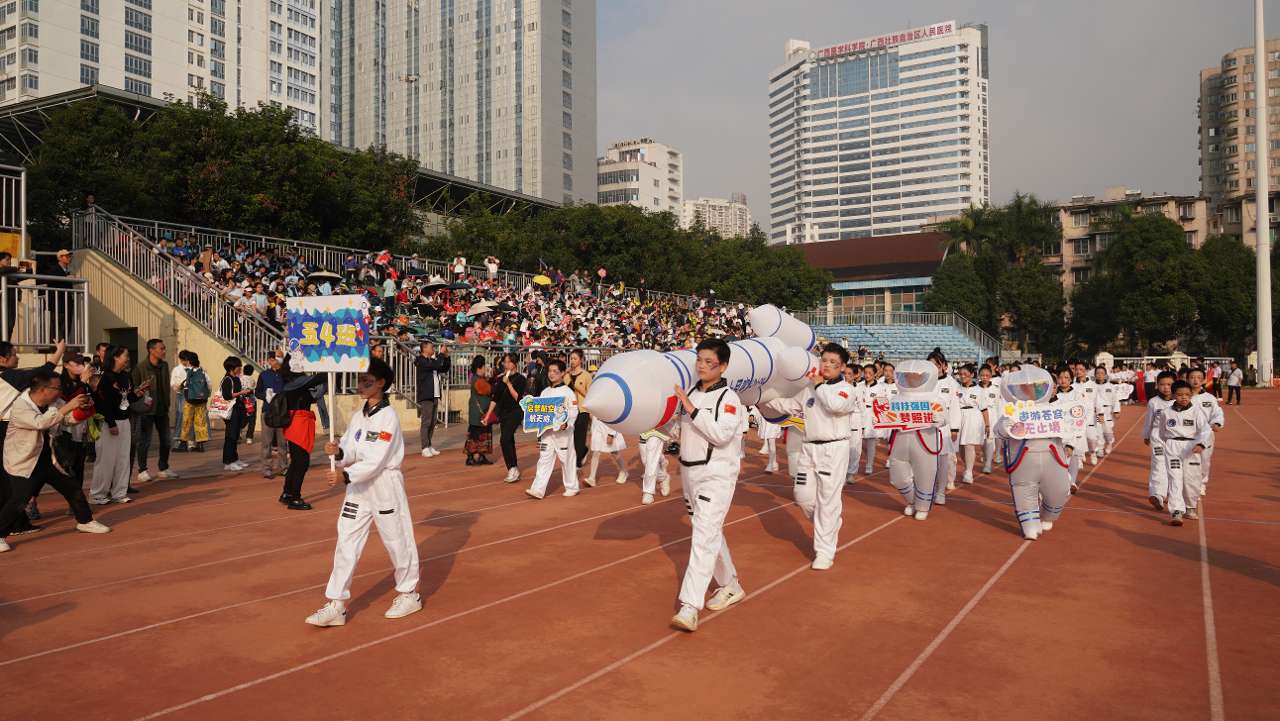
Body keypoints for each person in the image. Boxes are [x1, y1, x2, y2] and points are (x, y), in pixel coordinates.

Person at [306, 359, 422, 626]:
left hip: (384, 485)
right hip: (358, 488)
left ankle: (409, 593)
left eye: (367, 381)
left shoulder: (388, 417)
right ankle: (336, 603)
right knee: (346, 538)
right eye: (360, 381)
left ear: (381, 383)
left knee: (396, 539)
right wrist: (339, 452)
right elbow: (351, 448)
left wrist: (346, 475)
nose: (361, 386)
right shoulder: (359, 415)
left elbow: (377, 459)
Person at [669, 338, 746, 632]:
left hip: (717, 474)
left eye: (708, 362)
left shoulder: (729, 399)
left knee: (703, 536)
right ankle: (730, 584)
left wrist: (689, 407)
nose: (701, 366)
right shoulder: (690, 392)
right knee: (709, 532)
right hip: (689, 472)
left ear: (722, 366)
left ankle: (690, 606)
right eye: (699, 360)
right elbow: (680, 429)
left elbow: (720, 435)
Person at [760, 343, 857, 570]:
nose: (827, 365)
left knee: (827, 500)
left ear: (842, 366)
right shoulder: (809, 388)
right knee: (802, 496)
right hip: (809, 447)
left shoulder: (845, 389)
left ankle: (824, 551)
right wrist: (760, 399)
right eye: (824, 360)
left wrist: (819, 385)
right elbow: (789, 405)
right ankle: (829, 524)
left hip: (834, 449)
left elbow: (834, 405)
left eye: (833, 363)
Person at [0, 370, 96, 553]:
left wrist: (83, 410)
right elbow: (41, 423)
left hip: (46, 458)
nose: (60, 391)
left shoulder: (55, 402)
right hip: (24, 461)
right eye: (57, 388)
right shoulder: (20, 406)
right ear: (43, 389)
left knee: (72, 488)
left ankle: (86, 521)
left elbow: (66, 420)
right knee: (19, 500)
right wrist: (68, 406)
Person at [994, 366, 1072, 541]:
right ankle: (1029, 524)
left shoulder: (1054, 409)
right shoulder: (1012, 411)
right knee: (1024, 490)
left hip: (1053, 457)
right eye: (1023, 387)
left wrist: (1071, 443)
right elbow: (998, 430)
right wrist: (1007, 426)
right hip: (1022, 460)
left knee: (1059, 491)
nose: (1029, 390)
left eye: (1033, 386)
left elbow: (1070, 427)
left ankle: (1047, 515)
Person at [885, 360, 951, 520]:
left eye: (916, 375)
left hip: (925, 439)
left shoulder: (935, 399)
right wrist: (883, 419)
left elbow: (944, 417)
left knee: (925, 473)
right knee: (897, 476)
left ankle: (922, 506)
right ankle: (913, 500)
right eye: (908, 375)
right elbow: (888, 418)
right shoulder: (896, 399)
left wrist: (939, 419)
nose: (911, 378)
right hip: (900, 440)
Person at [90, 346, 149, 505]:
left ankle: (119, 492)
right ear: (115, 357)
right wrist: (111, 423)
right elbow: (102, 403)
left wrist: (137, 394)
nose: (128, 358)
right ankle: (98, 494)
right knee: (106, 459)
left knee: (123, 459)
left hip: (124, 421)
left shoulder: (126, 376)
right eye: (125, 355)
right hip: (108, 422)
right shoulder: (104, 376)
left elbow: (126, 399)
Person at [1157, 380, 1212, 526]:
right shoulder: (1166, 413)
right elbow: (1162, 432)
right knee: (1175, 478)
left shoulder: (1197, 412)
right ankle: (1176, 511)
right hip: (1173, 447)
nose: (1184, 397)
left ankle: (1190, 507)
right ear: (1174, 395)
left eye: (1187, 394)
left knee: (1191, 479)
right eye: (1180, 394)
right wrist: (1170, 443)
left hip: (1191, 447)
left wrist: (1201, 443)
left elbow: (1206, 430)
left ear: (1191, 395)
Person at [525, 358, 580, 499]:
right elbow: (540, 413)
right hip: (547, 433)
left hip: (563, 434)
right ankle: (538, 489)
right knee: (544, 459)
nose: (551, 374)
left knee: (566, 459)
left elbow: (574, 410)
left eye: (555, 371)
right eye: (550, 371)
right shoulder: (545, 392)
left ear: (562, 373)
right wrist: (538, 430)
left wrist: (566, 423)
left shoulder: (568, 392)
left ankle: (572, 487)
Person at [278, 355, 325, 510]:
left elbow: (314, 393)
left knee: (297, 461)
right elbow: (319, 378)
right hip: (298, 424)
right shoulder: (296, 382)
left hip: (298, 424)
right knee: (302, 462)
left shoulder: (295, 381)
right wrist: (329, 365)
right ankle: (295, 498)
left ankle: (287, 493)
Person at [132, 338, 177, 484]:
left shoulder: (164, 365)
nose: (164, 351)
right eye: (161, 348)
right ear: (151, 350)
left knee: (166, 440)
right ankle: (142, 470)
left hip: (162, 409)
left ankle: (163, 468)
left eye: (164, 348)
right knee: (144, 441)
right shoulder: (140, 367)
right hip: (146, 410)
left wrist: (167, 404)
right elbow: (134, 389)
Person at [1185, 368, 1224, 498]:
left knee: (1204, 460)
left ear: (1203, 380)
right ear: (1187, 379)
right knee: (1187, 460)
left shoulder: (1209, 398)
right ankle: (1187, 484)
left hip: (1206, 434)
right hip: (1187, 434)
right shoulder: (1182, 396)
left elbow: (1217, 413)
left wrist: (1217, 423)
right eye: (1192, 377)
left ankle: (1202, 483)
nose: (1195, 380)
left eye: (1198, 378)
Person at [489, 353, 527, 483]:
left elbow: (518, 398)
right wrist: (488, 415)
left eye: (508, 362)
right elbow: (495, 398)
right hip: (503, 413)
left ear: (514, 363)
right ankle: (513, 468)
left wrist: (509, 383)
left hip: (515, 412)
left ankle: (512, 468)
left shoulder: (521, 379)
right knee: (509, 440)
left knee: (504, 439)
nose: (505, 364)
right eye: (504, 362)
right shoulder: (501, 379)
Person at [1142, 370, 1177, 511]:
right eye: (1162, 384)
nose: (1166, 387)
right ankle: (1158, 495)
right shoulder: (1153, 402)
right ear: (1157, 385)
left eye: (1169, 384)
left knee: (1174, 467)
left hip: (1175, 439)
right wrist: (1146, 435)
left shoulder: (1179, 400)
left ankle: (1174, 494)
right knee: (1158, 464)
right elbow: (1148, 421)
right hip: (1157, 437)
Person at [413, 340, 451, 457]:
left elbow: (444, 368)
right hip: (426, 395)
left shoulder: (432, 361)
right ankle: (424, 447)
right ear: (424, 349)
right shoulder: (421, 361)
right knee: (426, 422)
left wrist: (446, 357)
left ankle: (429, 445)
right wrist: (441, 354)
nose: (433, 349)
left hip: (435, 394)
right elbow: (436, 365)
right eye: (431, 347)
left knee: (433, 422)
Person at [954, 363, 988, 485]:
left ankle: (969, 472)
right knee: (961, 447)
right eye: (960, 374)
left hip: (973, 417)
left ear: (972, 375)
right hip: (959, 416)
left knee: (969, 444)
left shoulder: (979, 390)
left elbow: (984, 408)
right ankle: (967, 466)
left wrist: (987, 424)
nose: (962, 376)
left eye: (965, 374)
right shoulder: (956, 388)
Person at [256, 354, 286, 479]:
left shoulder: (285, 374)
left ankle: (283, 467)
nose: (275, 361)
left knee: (282, 442)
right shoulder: (264, 375)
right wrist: (266, 396)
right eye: (273, 359)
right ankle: (267, 468)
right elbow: (257, 392)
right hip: (268, 411)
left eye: (278, 359)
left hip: (282, 412)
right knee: (266, 442)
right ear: (269, 361)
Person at [220, 356, 250, 472]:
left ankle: (235, 459)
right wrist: (241, 392)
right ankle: (228, 462)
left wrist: (244, 393)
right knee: (230, 436)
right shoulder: (227, 379)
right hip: (230, 411)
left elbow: (237, 393)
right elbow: (227, 395)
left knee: (236, 435)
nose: (240, 368)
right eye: (238, 366)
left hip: (237, 409)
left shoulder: (236, 379)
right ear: (232, 368)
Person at [582, 416, 629, 487]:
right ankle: (592, 478)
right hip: (597, 428)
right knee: (596, 452)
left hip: (608, 429)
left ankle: (623, 471)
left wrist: (611, 434)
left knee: (614, 452)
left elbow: (614, 416)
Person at [177, 353, 210, 452]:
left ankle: (183, 444)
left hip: (189, 401)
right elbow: (209, 385)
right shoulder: (203, 372)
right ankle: (200, 445)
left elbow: (182, 386)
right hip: (201, 401)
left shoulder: (187, 372)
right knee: (201, 422)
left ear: (189, 362)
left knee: (186, 421)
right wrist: (204, 396)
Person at [566, 349, 593, 469]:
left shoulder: (586, 375)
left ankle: (577, 463)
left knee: (579, 437)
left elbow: (591, 395)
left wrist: (579, 388)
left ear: (581, 360)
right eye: (571, 358)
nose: (572, 361)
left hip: (582, 410)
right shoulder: (566, 375)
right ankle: (583, 451)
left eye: (575, 358)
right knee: (570, 437)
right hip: (569, 410)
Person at [465, 359, 494, 466]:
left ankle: (480, 456)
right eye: (484, 367)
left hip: (479, 412)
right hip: (479, 413)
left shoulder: (477, 378)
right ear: (479, 368)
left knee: (479, 434)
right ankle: (473, 457)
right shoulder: (478, 380)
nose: (485, 369)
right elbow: (489, 390)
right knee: (477, 435)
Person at [638, 422, 674, 505]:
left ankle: (648, 492)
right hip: (643, 430)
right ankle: (663, 477)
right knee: (646, 462)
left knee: (651, 461)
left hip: (658, 430)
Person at [170, 350, 192, 450]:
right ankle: (179, 441)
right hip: (181, 395)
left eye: (188, 359)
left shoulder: (192, 369)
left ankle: (190, 441)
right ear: (181, 359)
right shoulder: (176, 370)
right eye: (185, 360)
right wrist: (179, 386)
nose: (186, 361)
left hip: (191, 396)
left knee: (190, 418)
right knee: (180, 417)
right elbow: (172, 383)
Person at [241, 364, 258, 444]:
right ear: (252, 372)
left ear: (243, 370)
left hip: (242, 401)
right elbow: (254, 389)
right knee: (252, 420)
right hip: (251, 402)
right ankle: (249, 437)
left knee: (241, 417)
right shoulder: (253, 380)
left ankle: (239, 431)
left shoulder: (240, 379)